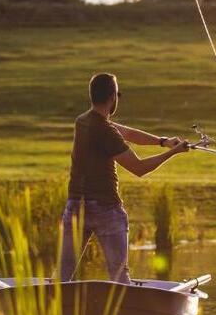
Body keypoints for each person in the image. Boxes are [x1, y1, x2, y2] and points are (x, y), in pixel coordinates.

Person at [59, 73, 188, 283]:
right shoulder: (105, 131)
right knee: (120, 279)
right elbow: (139, 168)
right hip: (105, 209)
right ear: (112, 98)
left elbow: (127, 133)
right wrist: (173, 152)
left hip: (75, 207)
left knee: (64, 277)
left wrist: (163, 141)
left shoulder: (83, 122)